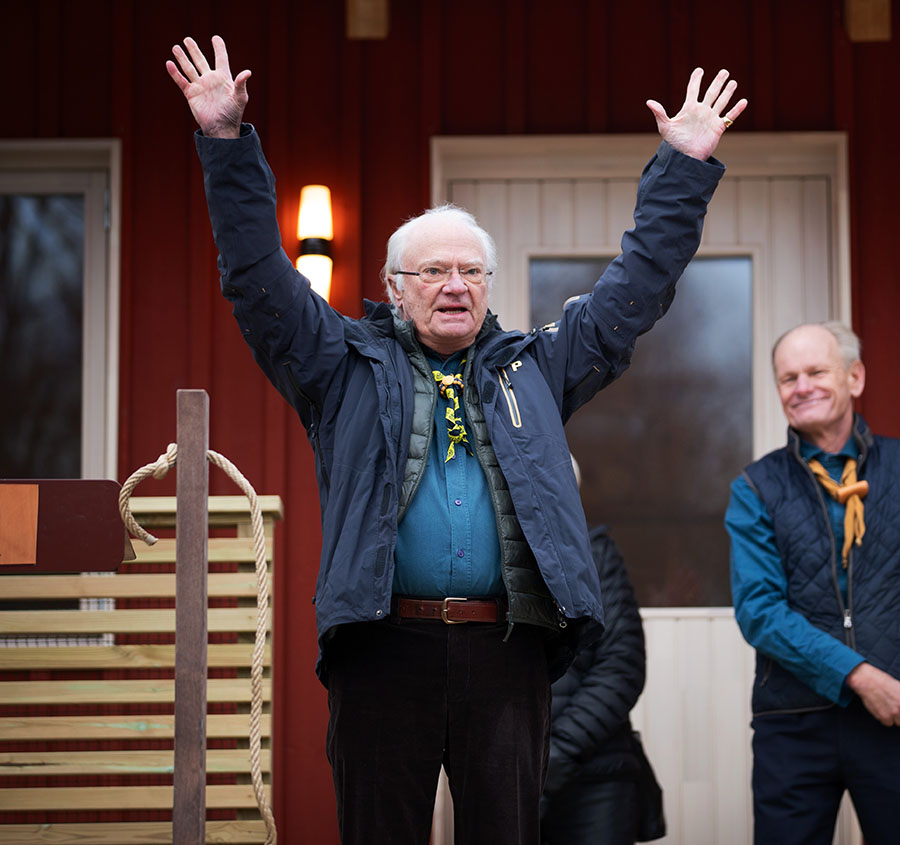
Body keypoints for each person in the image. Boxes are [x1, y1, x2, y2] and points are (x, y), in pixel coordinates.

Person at [167, 34, 746, 844]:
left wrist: (682, 167)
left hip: (506, 653)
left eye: (472, 272)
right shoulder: (341, 368)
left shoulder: (535, 369)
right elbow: (260, 279)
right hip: (382, 651)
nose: (454, 286)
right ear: (396, 292)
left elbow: (635, 291)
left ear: (488, 289)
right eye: (434, 271)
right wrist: (226, 144)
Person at [726, 321, 900, 845]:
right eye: (788, 378)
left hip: (895, 716)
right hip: (793, 720)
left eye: (816, 372)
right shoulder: (755, 486)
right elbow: (760, 611)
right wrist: (860, 676)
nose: (801, 387)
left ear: (855, 377)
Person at [540, 523, 651, 845]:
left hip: (596, 777)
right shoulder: (483, 560)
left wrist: (556, 756)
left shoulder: (594, 552)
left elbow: (622, 666)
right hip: (510, 778)